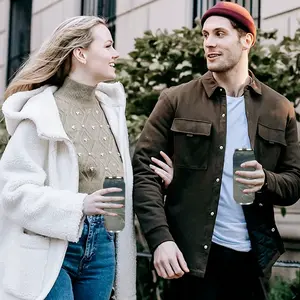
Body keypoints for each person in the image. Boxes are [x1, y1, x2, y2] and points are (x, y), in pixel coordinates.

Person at [132, 2, 300, 300]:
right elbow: (144, 172)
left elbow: (294, 182)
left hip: (253, 262)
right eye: (205, 35)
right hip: (192, 261)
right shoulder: (175, 100)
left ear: (246, 40)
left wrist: (266, 181)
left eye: (220, 34)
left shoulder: (279, 108)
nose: (209, 42)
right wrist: (160, 239)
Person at [0, 16, 172, 300]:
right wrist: (79, 204)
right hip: (51, 247)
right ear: (80, 53)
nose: (116, 54)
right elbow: (12, 191)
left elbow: (114, 180)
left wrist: (158, 185)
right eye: (107, 45)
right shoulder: (40, 112)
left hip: (105, 242)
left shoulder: (111, 109)